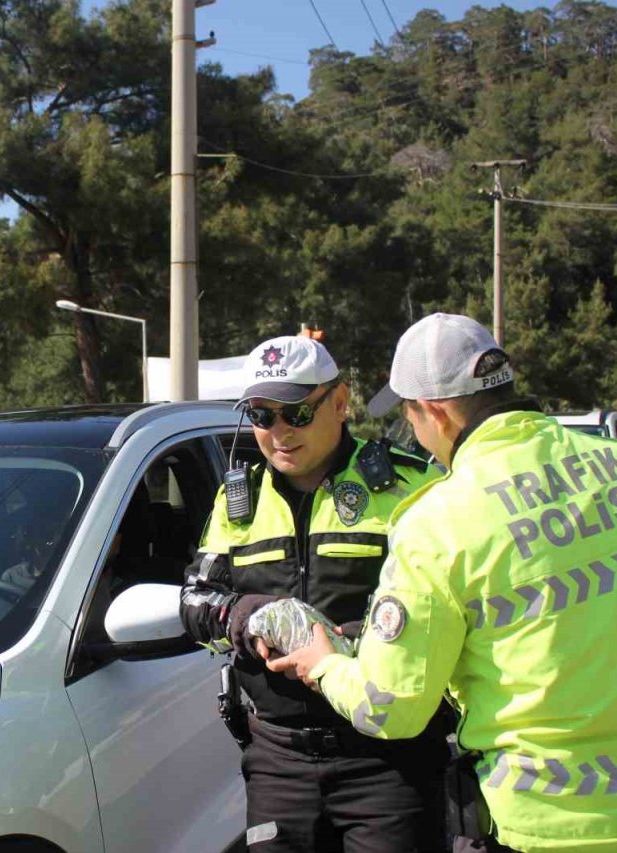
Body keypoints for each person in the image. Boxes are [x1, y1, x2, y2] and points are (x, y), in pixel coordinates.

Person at [265, 313, 617, 853]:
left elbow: (389, 708)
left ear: (435, 413)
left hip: (543, 823)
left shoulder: (438, 520)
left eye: (408, 415)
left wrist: (323, 663)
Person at [179, 334, 448, 852]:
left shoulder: (407, 486)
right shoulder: (239, 500)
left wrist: (351, 640)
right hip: (278, 760)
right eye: (261, 415)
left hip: (388, 756)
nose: (278, 432)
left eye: (295, 414)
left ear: (340, 402)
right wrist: (248, 614)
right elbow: (194, 602)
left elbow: (451, 604)